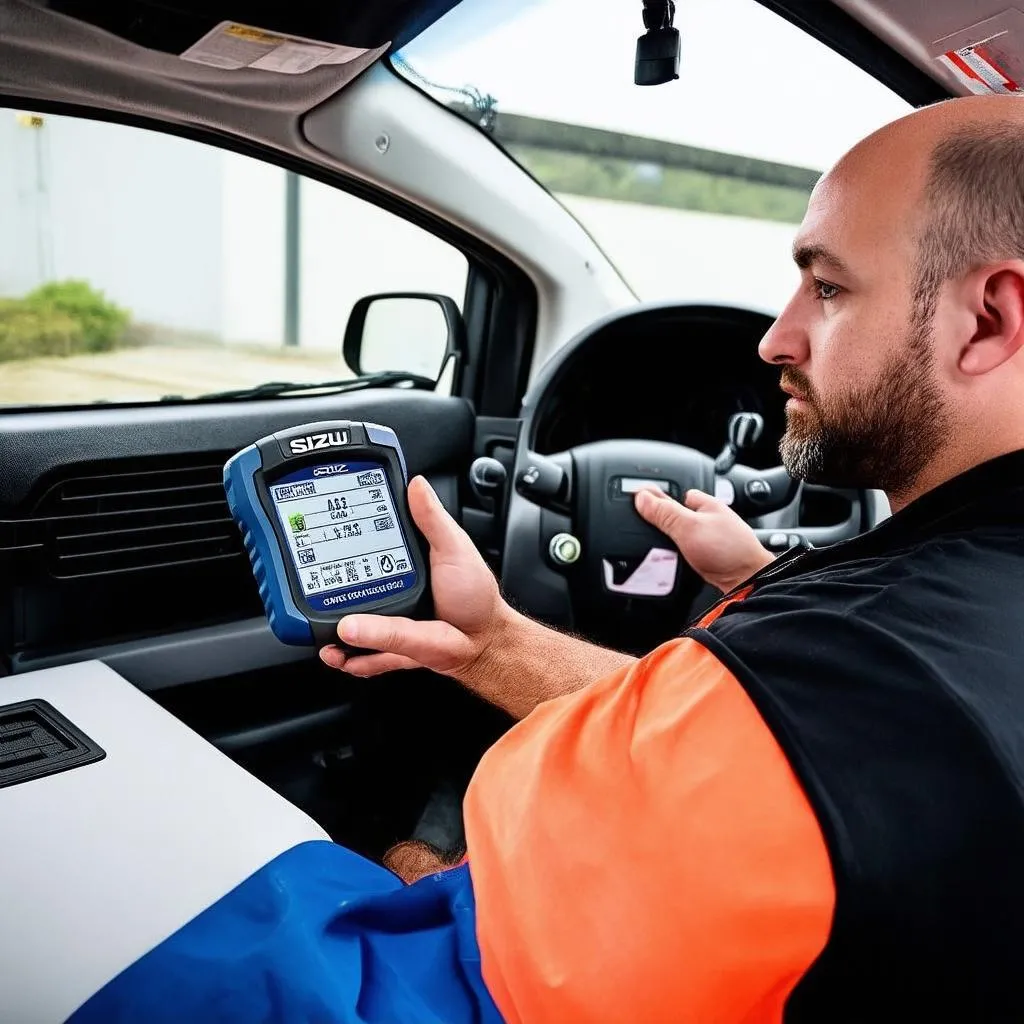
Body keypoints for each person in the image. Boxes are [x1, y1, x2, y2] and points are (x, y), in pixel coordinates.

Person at [74, 96, 1024, 1024]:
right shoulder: (879, 655)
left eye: (827, 285)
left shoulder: (854, 680)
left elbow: (449, 980)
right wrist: (499, 637)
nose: (776, 339)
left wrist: (412, 867)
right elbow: (734, 740)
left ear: (989, 319)